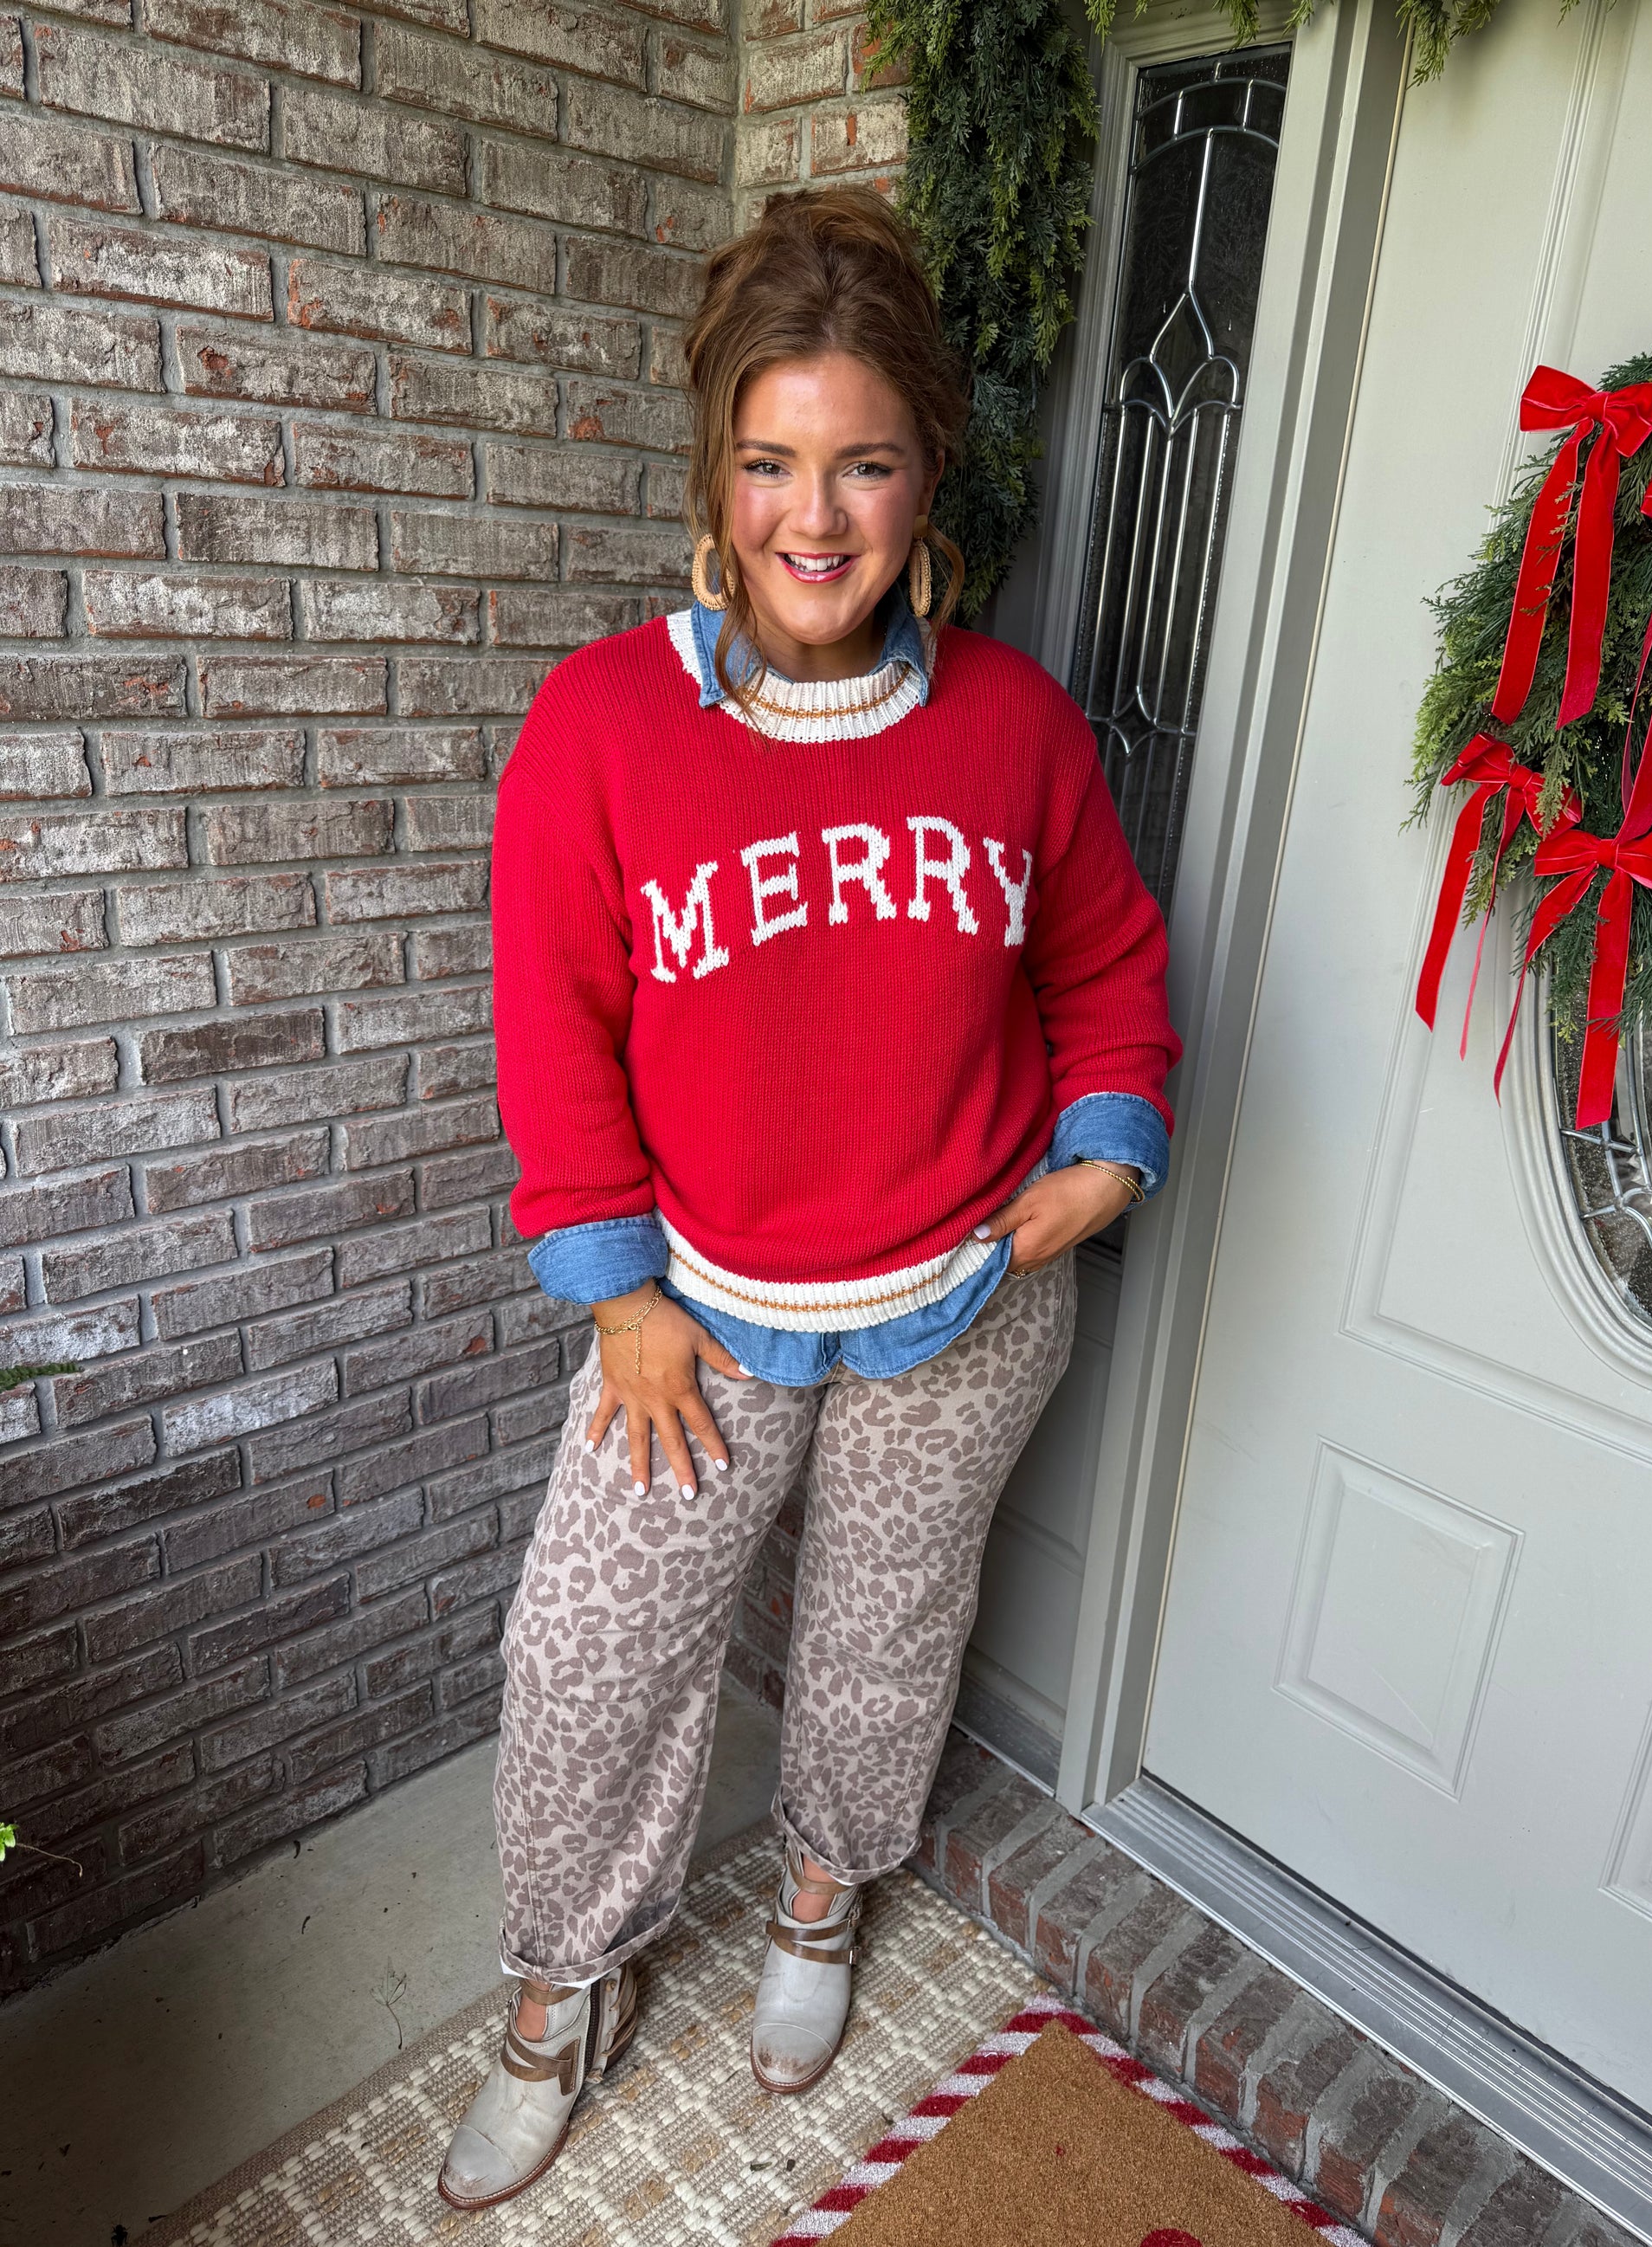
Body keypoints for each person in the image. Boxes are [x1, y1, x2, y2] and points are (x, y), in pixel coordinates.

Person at [436, 184, 1181, 2211]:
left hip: (964, 1296)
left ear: (927, 469)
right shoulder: (601, 727)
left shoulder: (1015, 728)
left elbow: (1107, 969)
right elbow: (553, 1027)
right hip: (694, 1309)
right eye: (770, 462)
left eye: (863, 461)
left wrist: (1103, 1151)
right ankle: (560, 1984)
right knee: (585, 1660)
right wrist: (617, 1293)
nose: (816, 516)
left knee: (880, 1631)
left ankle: (823, 1896)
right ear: (715, 473)